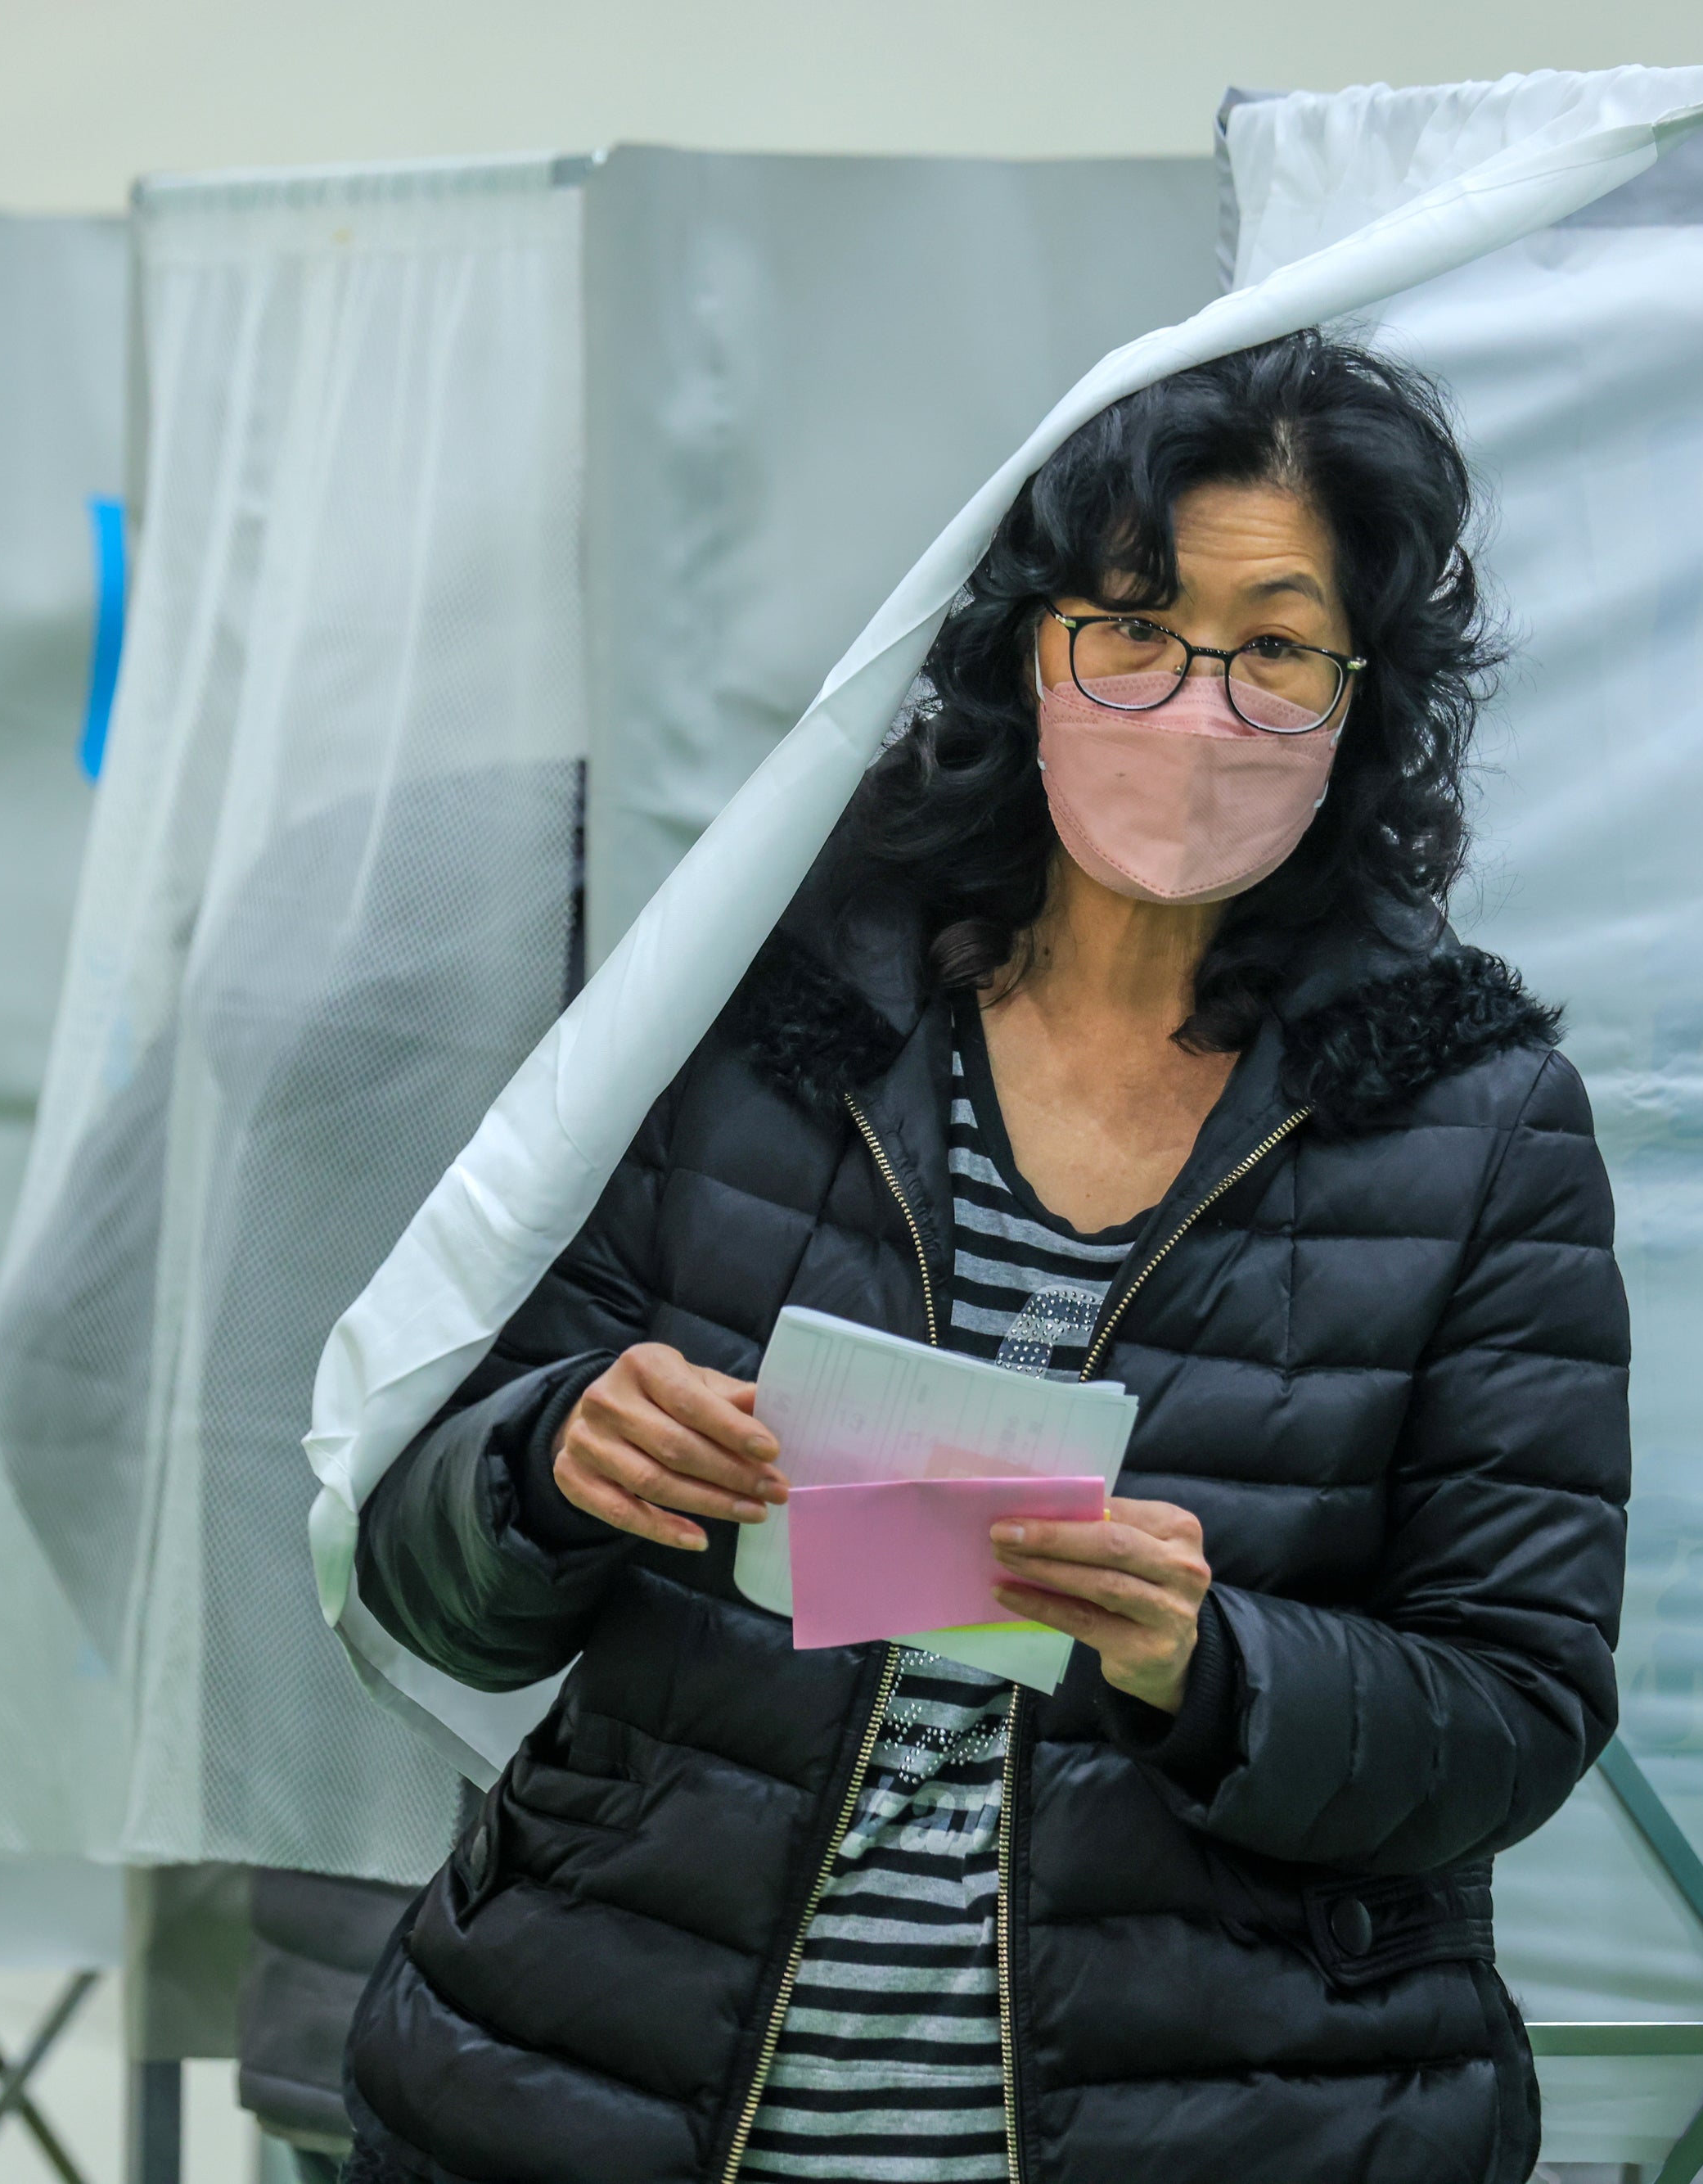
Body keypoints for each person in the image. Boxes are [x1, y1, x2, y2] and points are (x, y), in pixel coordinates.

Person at [340, 332, 1630, 2183]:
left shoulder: (1469, 1116)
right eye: (1132, 620)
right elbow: (428, 1579)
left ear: (1365, 697)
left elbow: (1509, 1709)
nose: (1196, 703)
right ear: (1022, 641)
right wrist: (547, 1463)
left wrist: (1216, 1662)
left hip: (1235, 2116)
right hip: (604, 2084)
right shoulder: (755, 1008)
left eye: (1273, 646)